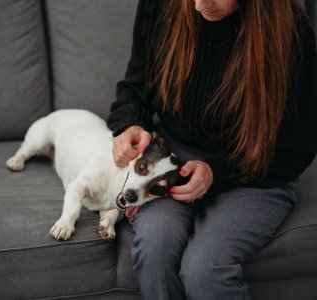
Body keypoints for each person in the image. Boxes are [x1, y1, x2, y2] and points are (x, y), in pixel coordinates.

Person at [107, 0, 317, 299]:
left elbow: (297, 148)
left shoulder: (293, 34)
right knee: (155, 251)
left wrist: (215, 170)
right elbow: (136, 85)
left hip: (255, 172)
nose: (198, 5)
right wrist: (129, 125)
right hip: (172, 162)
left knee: (204, 269)